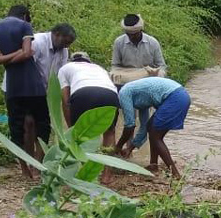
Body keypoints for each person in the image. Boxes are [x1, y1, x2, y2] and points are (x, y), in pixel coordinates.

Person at [0, 4, 47, 180]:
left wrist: (5, 59)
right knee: (42, 125)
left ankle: (24, 170)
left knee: (17, 128)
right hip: (33, 85)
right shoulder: (24, 26)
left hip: (12, 86)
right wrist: (19, 52)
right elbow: (28, 52)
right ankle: (38, 167)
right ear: (26, 16)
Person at [114, 77, 191, 180]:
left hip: (175, 97)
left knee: (155, 136)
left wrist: (118, 147)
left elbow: (129, 125)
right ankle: (153, 165)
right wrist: (129, 148)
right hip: (181, 96)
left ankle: (175, 175)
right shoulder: (139, 97)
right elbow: (144, 127)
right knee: (151, 127)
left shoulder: (123, 93)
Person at [111, 14, 168, 152]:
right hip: (126, 86)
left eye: (134, 34)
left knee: (145, 122)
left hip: (146, 87)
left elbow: (162, 66)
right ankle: (127, 146)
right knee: (129, 119)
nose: (131, 37)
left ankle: (133, 147)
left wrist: (156, 74)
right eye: (128, 34)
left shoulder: (152, 43)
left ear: (140, 31)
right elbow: (115, 67)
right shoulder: (119, 42)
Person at [57, 52, 120, 149]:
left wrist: (71, 128)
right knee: (109, 132)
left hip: (83, 93)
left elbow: (65, 101)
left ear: (72, 60)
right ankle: (108, 163)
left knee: (80, 134)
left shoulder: (65, 68)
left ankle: (83, 163)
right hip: (110, 94)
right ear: (89, 61)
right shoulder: (99, 68)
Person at [32, 23, 76, 92]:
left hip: (46, 91)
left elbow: (61, 74)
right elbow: (27, 68)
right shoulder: (37, 42)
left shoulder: (64, 50)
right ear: (57, 34)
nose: (67, 46)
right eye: (65, 42)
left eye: (69, 43)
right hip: (30, 88)